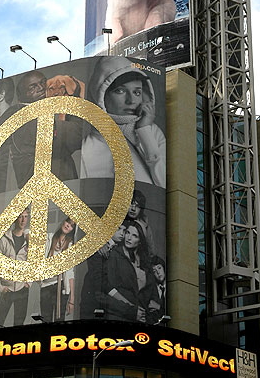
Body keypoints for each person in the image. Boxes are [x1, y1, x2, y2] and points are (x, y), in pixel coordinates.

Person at [80, 57, 165, 186]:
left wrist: (144, 131)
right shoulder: (86, 145)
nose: (131, 100)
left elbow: (165, 185)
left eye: (137, 92)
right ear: (101, 95)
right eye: (120, 91)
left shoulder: (153, 132)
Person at [10, 71, 84, 186]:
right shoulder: (28, 121)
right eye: (32, 87)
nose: (41, 88)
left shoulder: (39, 115)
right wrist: (75, 94)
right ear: (21, 97)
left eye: (43, 83)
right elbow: (77, 135)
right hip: (46, 193)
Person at [106, 220, 155, 322]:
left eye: (134, 236)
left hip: (141, 317)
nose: (128, 238)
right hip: (119, 315)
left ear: (140, 241)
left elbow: (149, 291)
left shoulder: (145, 262)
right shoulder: (114, 254)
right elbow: (109, 288)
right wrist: (131, 308)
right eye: (127, 233)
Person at [79, 221, 128, 319]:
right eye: (118, 229)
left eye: (124, 230)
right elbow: (100, 281)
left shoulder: (121, 249)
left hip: (109, 303)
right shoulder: (98, 247)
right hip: (94, 299)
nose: (122, 233)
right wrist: (124, 301)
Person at [0, 210, 30, 326]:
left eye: (25, 217)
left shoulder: (29, 240)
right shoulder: (4, 239)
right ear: (15, 219)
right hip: (7, 289)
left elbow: (33, 263)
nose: (23, 220)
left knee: (19, 323)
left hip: (22, 289)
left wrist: (28, 283)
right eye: (20, 217)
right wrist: (0, 286)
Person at [39, 217, 76, 322]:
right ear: (63, 222)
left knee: (59, 321)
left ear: (72, 230)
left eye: (72, 225)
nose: (68, 225)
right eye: (68, 222)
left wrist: (71, 300)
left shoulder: (69, 246)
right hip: (46, 286)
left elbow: (70, 272)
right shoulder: (49, 238)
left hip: (61, 287)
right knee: (46, 321)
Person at [126, 189, 155, 256]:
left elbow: (151, 253)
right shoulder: (116, 219)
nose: (133, 208)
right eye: (131, 203)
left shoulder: (145, 226)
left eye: (138, 206)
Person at [148, 255, 166, 324]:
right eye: (154, 271)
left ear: (164, 268)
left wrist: (158, 307)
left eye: (159, 268)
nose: (158, 272)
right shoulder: (152, 290)